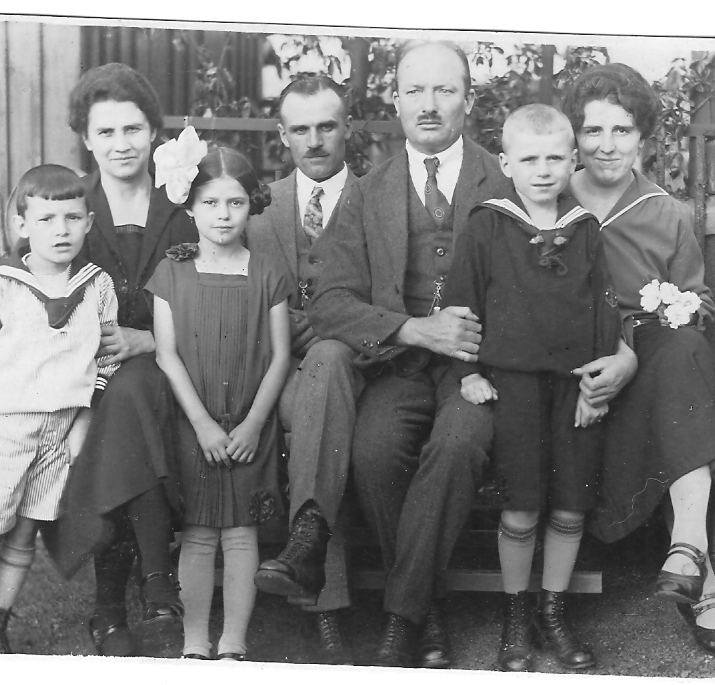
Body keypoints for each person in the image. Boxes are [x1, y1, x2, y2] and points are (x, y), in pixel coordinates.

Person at [308, 40, 506, 668]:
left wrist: (474, 354)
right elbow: (330, 303)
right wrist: (414, 331)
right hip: (400, 366)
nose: (428, 105)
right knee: (372, 452)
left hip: (477, 369)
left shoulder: (502, 181)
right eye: (414, 90)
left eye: (444, 90)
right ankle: (430, 606)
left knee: (456, 445)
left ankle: (405, 617)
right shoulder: (367, 193)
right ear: (394, 100)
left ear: (468, 101)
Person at [562, 62, 715, 660]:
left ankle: (689, 551)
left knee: (686, 347)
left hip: (649, 360)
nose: (606, 146)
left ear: (642, 137)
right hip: (573, 361)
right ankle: (701, 581)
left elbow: (699, 301)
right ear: (574, 136)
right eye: (593, 131)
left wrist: (668, 315)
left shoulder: (666, 212)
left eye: (621, 130)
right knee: (676, 381)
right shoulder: (552, 198)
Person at [441, 105, 620, 672]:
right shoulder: (487, 225)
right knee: (521, 507)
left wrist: (596, 387)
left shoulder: (585, 229)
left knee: (569, 505)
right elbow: (460, 307)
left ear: (572, 161)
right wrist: (466, 372)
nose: (542, 170)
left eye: (553, 158)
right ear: (505, 162)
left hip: (572, 390)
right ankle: (516, 614)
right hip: (513, 386)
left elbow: (604, 314)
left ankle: (552, 609)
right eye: (528, 158)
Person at [45, 63, 198, 657]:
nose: (120, 145)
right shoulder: (68, 208)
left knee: (135, 385)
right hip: (93, 386)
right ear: (84, 138)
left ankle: (108, 609)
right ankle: (158, 588)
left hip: (184, 373)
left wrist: (153, 343)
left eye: (132, 129)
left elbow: (221, 298)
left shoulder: (184, 205)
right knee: (126, 394)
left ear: (154, 131)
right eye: (105, 132)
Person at [0, 165, 119, 653]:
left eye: (72, 217)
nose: (61, 230)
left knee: (24, 535)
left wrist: (84, 421)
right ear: (22, 225)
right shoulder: (0, 288)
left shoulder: (96, 286)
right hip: (6, 429)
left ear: (89, 222)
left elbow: (105, 358)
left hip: (62, 431)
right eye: (47, 219)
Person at [147, 138, 290, 661]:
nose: (223, 214)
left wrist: (253, 424)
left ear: (251, 204)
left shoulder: (268, 272)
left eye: (234, 202)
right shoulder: (172, 273)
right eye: (210, 202)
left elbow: (279, 357)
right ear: (189, 207)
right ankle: (194, 643)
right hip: (195, 422)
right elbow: (167, 355)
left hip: (249, 423)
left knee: (241, 533)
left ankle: (233, 642)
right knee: (199, 532)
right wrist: (204, 424)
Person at [247, 75, 362, 665]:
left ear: (347, 128)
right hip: (285, 377)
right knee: (318, 406)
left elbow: (398, 297)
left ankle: (321, 597)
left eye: (327, 126)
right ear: (282, 135)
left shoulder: (379, 200)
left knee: (332, 363)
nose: (315, 141)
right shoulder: (258, 212)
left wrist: (335, 325)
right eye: (301, 129)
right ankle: (318, 587)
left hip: (367, 371)